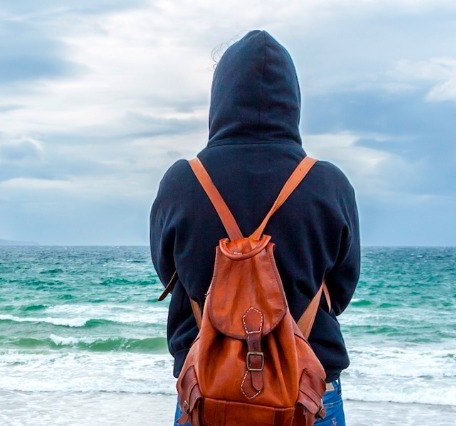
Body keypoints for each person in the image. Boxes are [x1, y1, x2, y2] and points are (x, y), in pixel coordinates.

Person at [150, 30, 361, 425]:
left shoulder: (182, 181)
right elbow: (341, 290)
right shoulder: (328, 183)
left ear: (220, 97)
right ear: (292, 100)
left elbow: (169, 272)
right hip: (308, 396)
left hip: (206, 393)